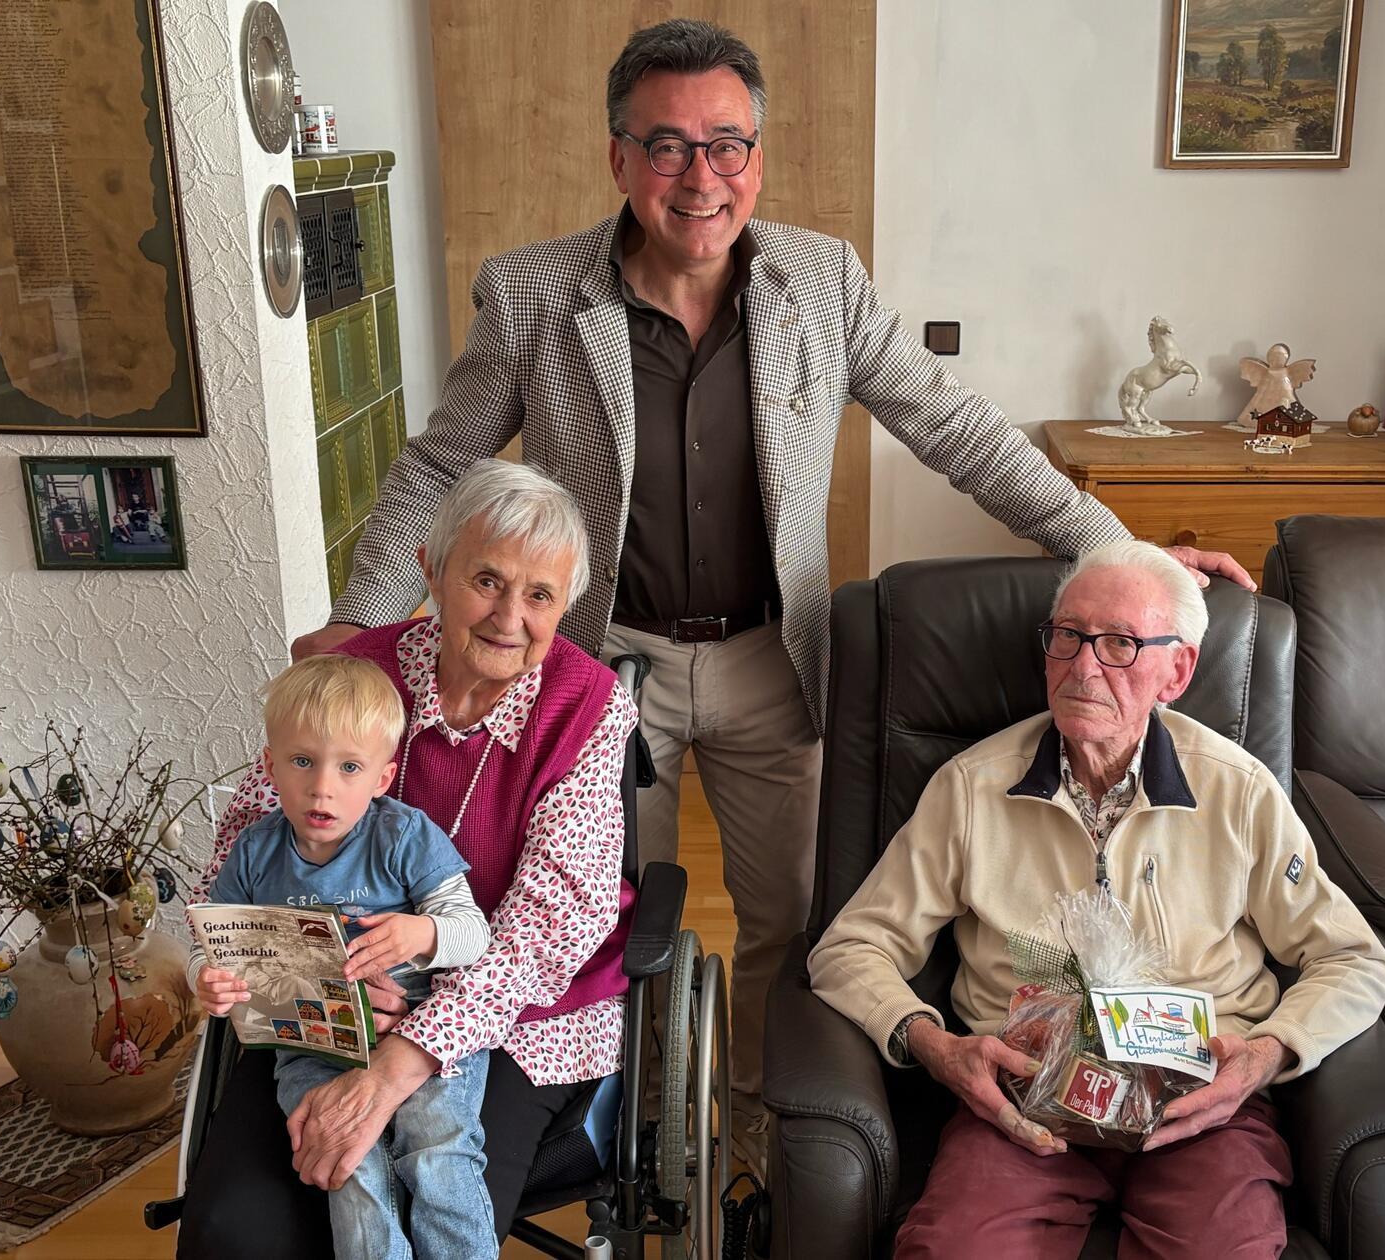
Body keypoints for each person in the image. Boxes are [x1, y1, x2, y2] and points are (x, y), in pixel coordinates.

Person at [283, 19, 1247, 1166]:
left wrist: (1123, 555)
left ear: (757, 155)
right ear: (618, 156)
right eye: (667, 145)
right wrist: (359, 617)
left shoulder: (820, 282)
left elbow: (952, 428)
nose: (700, 176)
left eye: (726, 144)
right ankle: (627, 1130)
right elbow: (440, 464)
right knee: (597, 920)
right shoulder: (535, 293)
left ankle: (751, 1129)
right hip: (603, 664)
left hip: (769, 661)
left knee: (786, 918)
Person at [808, 541, 1385, 1257]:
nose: (1084, 666)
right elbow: (850, 948)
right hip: (1025, 1100)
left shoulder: (1238, 792)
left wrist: (1267, 1055)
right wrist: (935, 1046)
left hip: (1196, 1103)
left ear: (1177, 671)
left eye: (1120, 644)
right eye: (1068, 636)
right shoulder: (971, 789)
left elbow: (1354, 958)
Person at [178, 460, 638, 1258]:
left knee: (443, 1206)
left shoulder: (587, 708)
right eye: (486, 581)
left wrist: (400, 1059)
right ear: (431, 568)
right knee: (236, 1233)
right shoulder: (352, 677)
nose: (510, 617)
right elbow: (247, 848)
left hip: (512, 1018)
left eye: (540, 595)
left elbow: (547, 929)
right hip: (324, 1002)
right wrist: (324, 989)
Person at [192, 654, 498, 1260]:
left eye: (349, 767)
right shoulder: (255, 852)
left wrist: (422, 933)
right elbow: (213, 947)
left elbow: (475, 934)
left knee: (436, 1147)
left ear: (382, 778)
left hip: (419, 1028)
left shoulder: (402, 835)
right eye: (302, 761)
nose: (322, 787)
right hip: (310, 1041)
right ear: (270, 766)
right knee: (348, 1167)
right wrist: (207, 982)